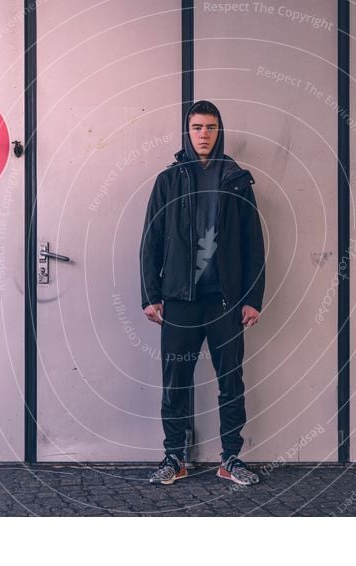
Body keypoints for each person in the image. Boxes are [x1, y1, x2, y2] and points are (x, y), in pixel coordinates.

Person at [140, 100, 265, 486]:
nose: (203, 135)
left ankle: (231, 459)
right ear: (187, 131)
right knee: (175, 379)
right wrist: (150, 294)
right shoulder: (169, 180)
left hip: (224, 300)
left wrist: (252, 298)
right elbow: (151, 240)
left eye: (210, 127)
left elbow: (253, 244)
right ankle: (174, 457)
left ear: (219, 130)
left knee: (231, 379)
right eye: (197, 128)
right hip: (179, 300)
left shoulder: (237, 179)